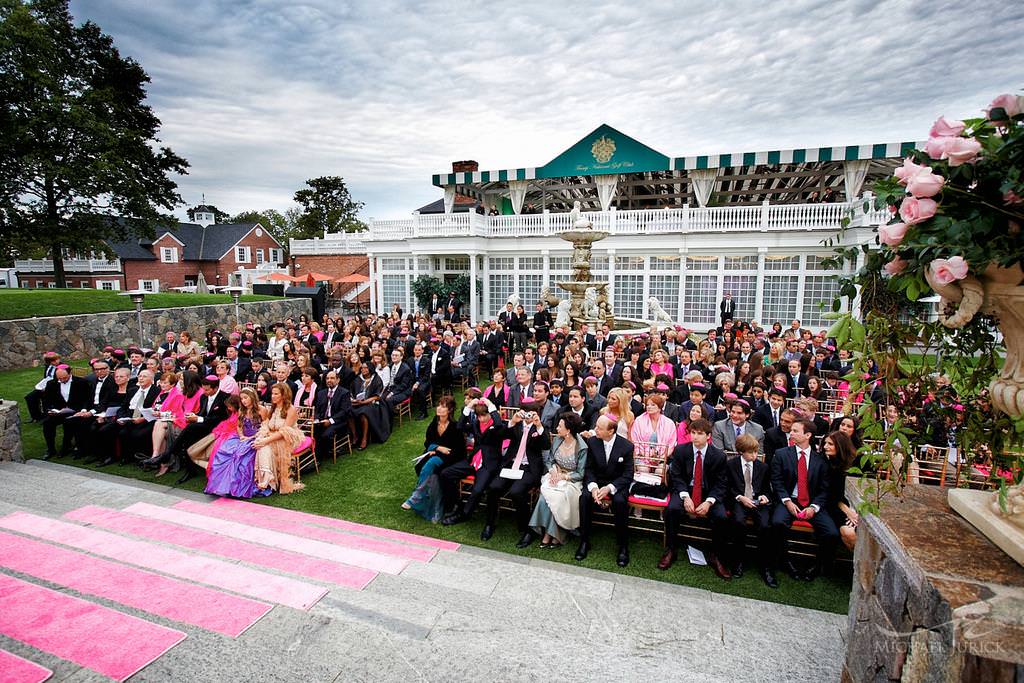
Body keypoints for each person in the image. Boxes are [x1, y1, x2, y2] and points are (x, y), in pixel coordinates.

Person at [660, 418, 732, 580]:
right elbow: (677, 477)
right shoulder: (681, 451)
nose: (695, 437)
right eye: (693, 433)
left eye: (700, 434)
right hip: (686, 489)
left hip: (709, 492)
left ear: (708, 436)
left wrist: (709, 502)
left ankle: (716, 555)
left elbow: (721, 484)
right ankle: (671, 549)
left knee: (721, 516)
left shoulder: (719, 456)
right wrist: (686, 497)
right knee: (672, 509)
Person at [770, 418, 838, 582]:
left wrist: (813, 507)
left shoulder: (821, 460)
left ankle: (817, 567)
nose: (791, 433)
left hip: (811, 502)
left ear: (807, 435)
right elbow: (776, 481)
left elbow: (824, 489)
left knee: (831, 532)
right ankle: (784, 561)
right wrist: (787, 501)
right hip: (788, 500)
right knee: (778, 522)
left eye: (795, 431)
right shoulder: (781, 454)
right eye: (791, 430)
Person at [482, 405, 550, 548]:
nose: (527, 417)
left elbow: (545, 445)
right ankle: (490, 523)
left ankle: (527, 530)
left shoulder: (541, 426)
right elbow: (500, 436)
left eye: (531, 413)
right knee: (494, 487)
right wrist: (512, 422)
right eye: (525, 413)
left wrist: (538, 426)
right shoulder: (516, 424)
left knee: (516, 492)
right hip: (510, 464)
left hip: (528, 468)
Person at [575, 415, 634, 567]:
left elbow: (628, 475)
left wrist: (609, 488)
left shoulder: (627, 446)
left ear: (611, 431)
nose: (595, 430)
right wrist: (594, 487)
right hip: (597, 482)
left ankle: (623, 546)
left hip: (617, 484)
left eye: (599, 428)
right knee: (584, 498)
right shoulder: (593, 442)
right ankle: (584, 541)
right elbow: (588, 468)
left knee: (620, 502)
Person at [441, 393, 505, 524]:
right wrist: (469, 406)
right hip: (473, 460)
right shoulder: (476, 423)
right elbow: (459, 426)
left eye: (484, 415)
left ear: (490, 413)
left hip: (488, 465)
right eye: (479, 416)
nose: (481, 419)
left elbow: (498, 424)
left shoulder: (498, 425)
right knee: (445, 474)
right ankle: (457, 504)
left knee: (477, 490)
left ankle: (465, 514)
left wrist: (491, 405)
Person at [403, 396, 465, 522]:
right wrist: (436, 448)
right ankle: (435, 510)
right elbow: (428, 441)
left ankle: (416, 496)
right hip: (435, 454)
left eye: (443, 406)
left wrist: (440, 450)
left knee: (432, 463)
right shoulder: (434, 422)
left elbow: (459, 451)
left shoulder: (455, 426)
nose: (439, 408)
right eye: (439, 405)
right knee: (433, 476)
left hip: (451, 458)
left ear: (450, 409)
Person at [530, 413, 588, 547]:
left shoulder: (582, 447)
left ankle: (552, 534)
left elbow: (580, 473)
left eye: (560, 426)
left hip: (572, 481)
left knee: (559, 497)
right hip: (555, 475)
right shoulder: (557, 440)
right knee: (545, 496)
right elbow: (550, 460)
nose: (556, 428)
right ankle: (550, 533)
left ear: (568, 430)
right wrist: (553, 471)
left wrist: (564, 476)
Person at [725, 433, 775, 587]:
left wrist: (764, 497)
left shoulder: (763, 467)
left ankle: (765, 565)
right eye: (751, 452)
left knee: (765, 525)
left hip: (757, 501)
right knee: (738, 522)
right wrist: (740, 497)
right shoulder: (731, 465)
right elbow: (728, 488)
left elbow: (767, 489)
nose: (754, 455)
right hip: (739, 500)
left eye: (756, 451)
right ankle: (738, 560)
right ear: (741, 452)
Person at [204, 392, 263, 498]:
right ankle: (221, 486)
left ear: (252, 397)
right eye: (242, 398)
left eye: (246, 398)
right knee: (224, 451)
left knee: (241, 455)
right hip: (242, 437)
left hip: (256, 438)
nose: (244, 401)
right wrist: (241, 436)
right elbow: (239, 426)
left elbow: (265, 427)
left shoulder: (261, 410)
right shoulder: (242, 410)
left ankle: (236, 487)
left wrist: (251, 438)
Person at [254, 382, 305, 494]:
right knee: (257, 446)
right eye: (272, 394)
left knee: (264, 448)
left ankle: (268, 482)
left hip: (286, 438)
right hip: (273, 435)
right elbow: (266, 424)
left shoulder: (291, 410)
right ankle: (262, 479)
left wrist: (266, 440)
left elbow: (284, 431)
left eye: (276, 394)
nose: (273, 396)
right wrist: (264, 435)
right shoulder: (272, 408)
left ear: (283, 395)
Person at [40, 365, 91, 459]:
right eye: (59, 378)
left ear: (69, 373)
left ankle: (66, 447)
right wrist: (49, 410)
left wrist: (83, 410)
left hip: (76, 411)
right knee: (47, 423)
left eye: (64, 378)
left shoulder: (81, 382)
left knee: (70, 423)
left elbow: (87, 399)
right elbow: (46, 400)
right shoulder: (51, 383)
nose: (62, 380)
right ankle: (50, 449)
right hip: (59, 411)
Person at [824, 430, 859, 552]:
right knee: (848, 532)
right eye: (825, 443)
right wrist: (848, 512)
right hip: (837, 506)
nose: (825, 447)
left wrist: (856, 511)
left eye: (830, 444)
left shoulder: (857, 462)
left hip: (859, 505)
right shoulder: (827, 465)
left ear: (840, 445)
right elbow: (831, 496)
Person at [348, 362, 390, 450]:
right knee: (349, 411)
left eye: (366, 368)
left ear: (370, 368)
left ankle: (364, 439)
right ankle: (355, 436)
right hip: (358, 402)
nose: (363, 370)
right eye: (362, 368)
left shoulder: (376, 379)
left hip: (373, 403)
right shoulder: (357, 379)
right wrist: (354, 400)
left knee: (364, 413)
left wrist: (364, 402)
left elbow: (377, 396)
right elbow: (352, 392)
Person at [313, 370, 352, 462]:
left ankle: (318, 458)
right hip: (322, 420)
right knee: (312, 431)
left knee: (326, 435)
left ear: (338, 380)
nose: (329, 380)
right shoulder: (321, 393)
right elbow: (317, 409)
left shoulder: (344, 393)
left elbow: (344, 412)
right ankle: (314, 455)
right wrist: (317, 419)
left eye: (332, 378)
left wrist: (330, 421)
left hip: (338, 421)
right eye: (327, 378)